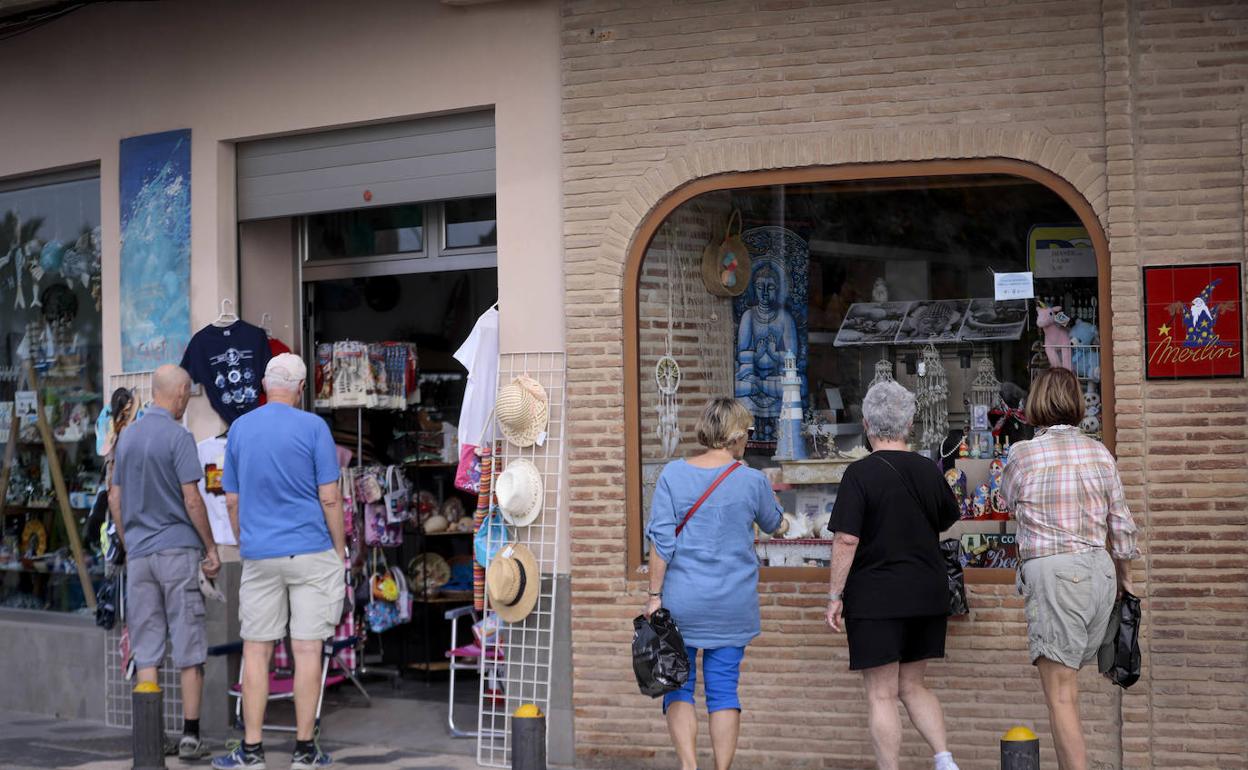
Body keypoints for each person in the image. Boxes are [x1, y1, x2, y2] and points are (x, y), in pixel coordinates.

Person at [211, 354, 346, 770]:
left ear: (264, 387)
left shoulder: (240, 430)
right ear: (301, 388)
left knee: (256, 651)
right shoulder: (314, 428)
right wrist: (339, 549)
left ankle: (251, 751)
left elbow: (231, 499)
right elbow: (330, 497)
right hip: (310, 551)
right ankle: (305, 751)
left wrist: (244, 538)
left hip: (260, 554)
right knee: (307, 651)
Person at [1001, 367, 1138, 770]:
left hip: (1058, 573)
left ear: (1035, 402)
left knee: (1060, 697)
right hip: (1101, 574)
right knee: (1069, 692)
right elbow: (1123, 525)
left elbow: (1009, 502)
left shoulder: (1023, 454)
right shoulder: (1099, 452)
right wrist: (1126, 580)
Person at [825, 380, 962, 770]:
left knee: (882, 694)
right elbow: (949, 524)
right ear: (909, 424)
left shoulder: (859, 474)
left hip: (877, 596)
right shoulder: (928, 470)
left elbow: (846, 540)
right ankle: (944, 758)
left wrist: (834, 595)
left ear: (867, 424)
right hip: (927, 592)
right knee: (914, 685)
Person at [644, 397, 786, 770]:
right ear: (737, 436)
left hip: (682, 603)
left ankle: (690, 767)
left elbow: (661, 543)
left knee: (679, 686)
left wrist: (654, 597)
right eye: (748, 433)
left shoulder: (673, 476)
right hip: (732, 604)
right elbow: (776, 524)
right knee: (723, 691)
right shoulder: (753, 481)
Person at [108, 364, 220, 761]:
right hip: (177, 553)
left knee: (147, 646)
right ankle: (190, 736)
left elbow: (115, 499)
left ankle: (150, 740)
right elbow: (193, 499)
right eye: (187, 394)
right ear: (179, 393)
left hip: (139, 557)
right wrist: (211, 547)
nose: (187, 400)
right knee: (189, 642)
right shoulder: (179, 437)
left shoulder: (127, 438)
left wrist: (130, 541)